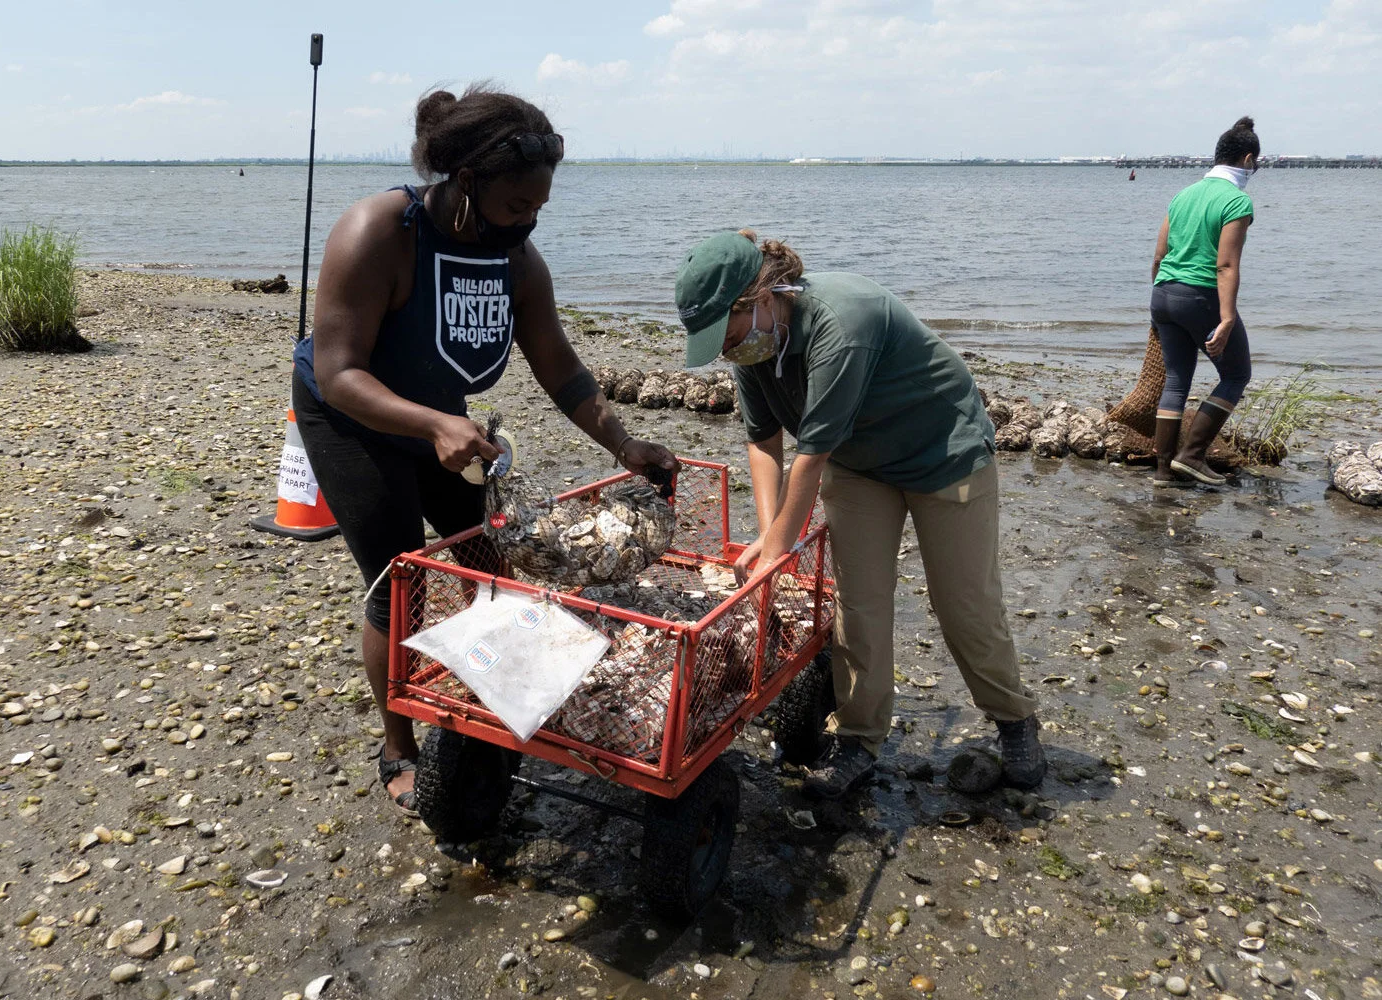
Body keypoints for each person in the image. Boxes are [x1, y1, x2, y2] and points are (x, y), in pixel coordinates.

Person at [293, 86, 678, 814]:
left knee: (489, 557)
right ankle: (398, 746)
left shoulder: (518, 263)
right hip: (352, 417)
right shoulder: (379, 231)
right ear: (465, 183)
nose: (528, 222)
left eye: (539, 209)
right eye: (515, 207)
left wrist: (626, 443)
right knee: (398, 582)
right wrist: (434, 425)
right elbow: (340, 372)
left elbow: (562, 371)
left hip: (443, 420)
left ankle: (484, 695)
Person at [674, 230, 1047, 798]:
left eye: (726, 335)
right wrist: (775, 539)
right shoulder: (752, 346)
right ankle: (858, 740)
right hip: (858, 463)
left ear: (762, 299)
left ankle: (1014, 720)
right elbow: (764, 442)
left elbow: (811, 453)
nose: (727, 352)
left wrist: (776, 549)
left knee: (964, 603)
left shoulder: (841, 323)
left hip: (942, 452)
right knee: (858, 604)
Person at [1148, 116, 1260, 486]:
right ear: (1247, 160)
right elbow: (1225, 265)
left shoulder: (1183, 194)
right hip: (1199, 297)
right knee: (1235, 374)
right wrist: (1226, 318)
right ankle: (1192, 456)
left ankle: (1164, 471)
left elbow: (1160, 255)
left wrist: (1158, 311)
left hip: (1163, 294)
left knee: (1177, 381)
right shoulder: (1236, 200)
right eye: (1255, 164)